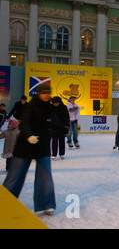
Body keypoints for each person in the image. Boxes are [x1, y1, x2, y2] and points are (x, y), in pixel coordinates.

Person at [3, 83, 67, 215]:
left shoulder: (50, 108)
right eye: (44, 93)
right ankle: (4, 201)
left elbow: (55, 122)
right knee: (16, 175)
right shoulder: (31, 106)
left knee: (45, 175)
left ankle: (47, 203)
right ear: (39, 94)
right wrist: (29, 135)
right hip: (25, 145)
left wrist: (64, 129)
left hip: (42, 146)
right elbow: (25, 123)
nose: (47, 95)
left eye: (48, 92)